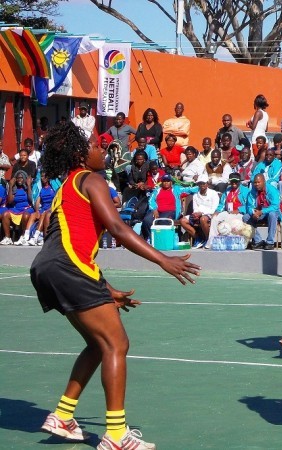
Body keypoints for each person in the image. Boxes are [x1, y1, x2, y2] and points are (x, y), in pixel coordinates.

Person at [30, 122, 199, 449]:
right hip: (68, 267)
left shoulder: (66, 186)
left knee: (99, 344)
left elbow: (70, 243)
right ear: (80, 154)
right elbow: (118, 229)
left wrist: (106, 290)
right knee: (117, 344)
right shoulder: (90, 179)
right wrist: (163, 260)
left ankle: (63, 415)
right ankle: (117, 436)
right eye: (95, 144)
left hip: (48, 267)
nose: (102, 148)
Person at [141, 174, 199, 240]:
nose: (166, 183)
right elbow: (151, 200)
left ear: (171, 182)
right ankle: (152, 239)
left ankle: (162, 239)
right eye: (164, 181)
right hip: (157, 211)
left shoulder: (177, 189)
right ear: (162, 182)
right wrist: (154, 209)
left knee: (162, 221)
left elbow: (190, 189)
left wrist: (200, 187)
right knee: (147, 220)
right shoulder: (157, 190)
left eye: (168, 181)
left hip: (171, 211)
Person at [205, 173, 250, 249]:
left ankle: (230, 242)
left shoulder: (246, 191)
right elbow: (222, 203)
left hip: (239, 213)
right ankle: (211, 242)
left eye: (236, 181)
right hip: (228, 211)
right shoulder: (227, 190)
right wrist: (217, 211)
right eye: (232, 182)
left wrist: (239, 210)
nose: (234, 183)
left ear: (239, 182)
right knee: (215, 218)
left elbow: (249, 205)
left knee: (230, 220)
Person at [243, 173, 282, 250]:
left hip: (271, 212)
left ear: (264, 181)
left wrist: (262, 211)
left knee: (272, 214)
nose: (256, 184)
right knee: (246, 217)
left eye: (258, 182)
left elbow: (275, 206)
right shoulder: (252, 192)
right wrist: (253, 212)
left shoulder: (272, 190)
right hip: (259, 212)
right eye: (255, 183)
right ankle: (258, 241)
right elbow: (249, 206)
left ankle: (270, 242)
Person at [180, 180, 220, 248]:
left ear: (207, 184)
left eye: (203, 183)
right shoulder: (195, 195)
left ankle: (208, 239)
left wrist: (201, 213)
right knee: (182, 221)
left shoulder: (213, 193)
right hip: (198, 214)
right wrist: (195, 214)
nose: (202, 185)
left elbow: (213, 209)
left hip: (210, 214)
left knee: (203, 219)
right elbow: (195, 208)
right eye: (200, 183)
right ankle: (198, 238)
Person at [22, 172, 56, 246]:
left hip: (50, 208)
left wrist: (48, 209)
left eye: (44, 176)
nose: (42, 178)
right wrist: (37, 211)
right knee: (33, 215)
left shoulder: (52, 188)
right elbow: (38, 201)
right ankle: (26, 236)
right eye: (41, 176)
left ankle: (35, 237)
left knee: (44, 214)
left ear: (48, 178)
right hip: (43, 208)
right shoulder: (41, 189)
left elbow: (55, 201)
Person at [0, 170, 34, 245]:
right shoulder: (14, 189)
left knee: (25, 215)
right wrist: (11, 186)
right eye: (18, 178)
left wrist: (28, 185)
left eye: (21, 178)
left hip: (26, 208)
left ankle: (23, 236)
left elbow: (31, 199)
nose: (19, 180)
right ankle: (7, 238)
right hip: (16, 209)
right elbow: (9, 201)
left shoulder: (27, 187)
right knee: (5, 214)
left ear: (24, 179)